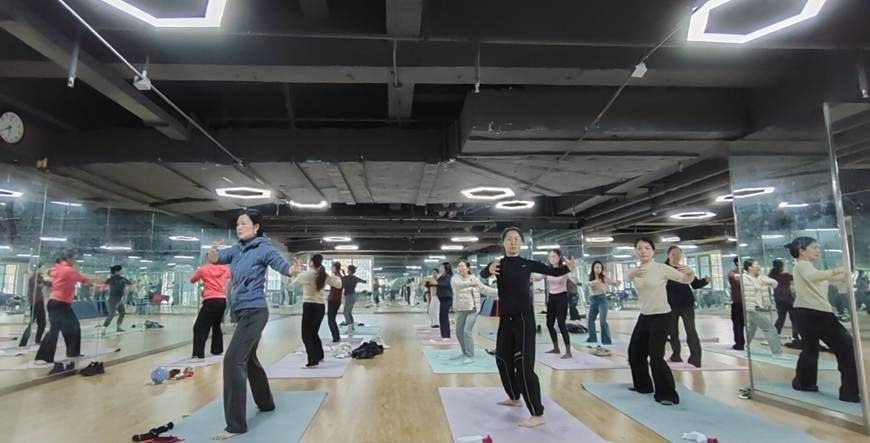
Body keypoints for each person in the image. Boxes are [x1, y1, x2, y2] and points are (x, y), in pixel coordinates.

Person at [208, 209, 299, 440]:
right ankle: (266, 403)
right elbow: (216, 259)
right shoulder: (236, 250)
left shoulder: (264, 248)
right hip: (241, 313)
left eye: (244, 223)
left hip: (255, 312)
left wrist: (292, 270)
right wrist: (212, 251)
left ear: (256, 227)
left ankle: (235, 425)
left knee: (233, 361)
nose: (239, 227)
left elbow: (281, 266)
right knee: (248, 360)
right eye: (237, 224)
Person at [480, 227, 577, 428]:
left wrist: (569, 268)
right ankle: (514, 396)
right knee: (502, 359)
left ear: (521, 243)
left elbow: (554, 271)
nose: (513, 242)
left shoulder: (527, 263)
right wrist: (488, 269)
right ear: (503, 242)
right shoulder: (498, 264)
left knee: (524, 367)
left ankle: (537, 413)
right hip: (505, 319)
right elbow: (482, 274)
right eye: (509, 239)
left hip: (524, 320)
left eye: (516, 239)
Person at [786, 237, 859, 403]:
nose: (818, 250)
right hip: (815, 313)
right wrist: (837, 269)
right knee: (846, 347)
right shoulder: (802, 265)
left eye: (818, 247)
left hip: (807, 313)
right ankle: (849, 392)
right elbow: (814, 276)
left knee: (810, 350)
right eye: (814, 247)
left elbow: (826, 278)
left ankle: (804, 383)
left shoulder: (810, 268)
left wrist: (845, 274)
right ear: (801, 250)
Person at [625, 238, 695, 406]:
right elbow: (627, 277)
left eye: (647, 248)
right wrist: (631, 275)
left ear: (653, 251)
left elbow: (685, 279)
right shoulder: (634, 270)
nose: (643, 251)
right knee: (635, 352)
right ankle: (643, 386)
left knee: (655, 356)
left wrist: (690, 273)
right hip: (645, 315)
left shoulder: (661, 268)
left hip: (662, 315)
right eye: (639, 248)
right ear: (635, 252)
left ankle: (667, 394)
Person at [35, 250, 93, 366]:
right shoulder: (69, 270)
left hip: (59, 303)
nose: (75, 261)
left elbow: (50, 272)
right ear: (69, 259)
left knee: (73, 326)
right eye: (74, 259)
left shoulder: (57, 268)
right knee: (55, 329)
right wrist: (95, 283)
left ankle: (73, 353)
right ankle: (44, 357)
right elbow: (84, 280)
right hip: (59, 303)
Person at [290, 254, 340, 368]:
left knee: (306, 335)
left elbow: (291, 285)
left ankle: (313, 360)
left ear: (312, 262)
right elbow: (338, 284)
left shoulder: (306, 274)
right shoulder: (323, 275)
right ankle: (319, 355)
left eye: (309, 261)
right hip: (320, 307)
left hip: (309, 306)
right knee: (313, 333)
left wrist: (297, 271)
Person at [664, 246, 709, 368]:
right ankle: (676, 355)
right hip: (670, 305)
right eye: (674, 254)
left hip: (686, 303)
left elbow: (695, 284)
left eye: (679, 254)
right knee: (672, 331)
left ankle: (695, 358)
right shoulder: (663, 269)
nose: (677, 256)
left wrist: (705, 281)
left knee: (691, 330)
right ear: (668, 255)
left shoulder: (684, 269)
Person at [451, 259, 497, 363]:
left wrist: (499, 292)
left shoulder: (474, 279)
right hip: (461, 309)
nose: (460, 268)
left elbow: (484, 289)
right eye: (459, 266)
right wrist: (470, 284)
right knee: (459, 332)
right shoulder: (455, 278)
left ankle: (470, 355)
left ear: (468, 268)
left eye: (463, 266)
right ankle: (464, 352)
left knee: (467, 331)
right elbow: (458, 286)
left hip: (473, 309)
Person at [536, 249, 577, 359]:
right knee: (549, 324)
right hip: (551, 298)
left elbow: (574, 280)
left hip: (561, 297)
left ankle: (568, 352)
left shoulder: (564, 269)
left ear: (559, 257)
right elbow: (538, 278)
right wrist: (528, 275)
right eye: (550, 257)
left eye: (554, 256)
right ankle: (556, 348)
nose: (552, 258)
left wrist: (572, 269)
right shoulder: (548, 270)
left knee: (561, 324)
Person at [741, 259, 784, 356]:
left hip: (761, 307)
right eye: (756, 264)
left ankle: (745, 345)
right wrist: (762, 283)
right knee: (770, 329)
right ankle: (777, 352)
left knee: (751, 329)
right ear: (750, 267)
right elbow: (753, 288)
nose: (759, 266)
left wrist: (766, 282)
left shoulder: (760, 277)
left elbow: (774, 283)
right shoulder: (744, 278)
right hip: (753, 309)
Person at [189, 260, 231, 359]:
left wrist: (204, 282)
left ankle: (198, 354)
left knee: (199, 327)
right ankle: (217, 350)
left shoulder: (204, 269)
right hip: (222, 301)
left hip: (210, 301)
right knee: (216, 325)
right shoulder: (225, 269)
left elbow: (192, 280)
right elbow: (231, 277)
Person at [587, 261, 620, 348]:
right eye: (597, 267)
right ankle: (592, 338)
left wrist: (617, 283)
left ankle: (606, 340)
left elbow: (614, 284)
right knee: (590, 320)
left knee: (602, 321)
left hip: (602, 300)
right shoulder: (590, 278)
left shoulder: (604, 278)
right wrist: (596, 281)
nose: (598, 269)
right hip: (593, 300)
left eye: (600, 268)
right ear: (593, 268)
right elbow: (589, 284)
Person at [769, 259, 800, 344]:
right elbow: (796, 278)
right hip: (788, 300)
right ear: (782, 266)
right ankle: (795, 336)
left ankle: (774, 336)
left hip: (779, 300)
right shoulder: (786, 275)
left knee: (781, 319)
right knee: (794, 319)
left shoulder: (771, 275)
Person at [20, 263, 48, 346]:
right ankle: (25, 342)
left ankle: (35, 340)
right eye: (42, 268)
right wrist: (42, 283)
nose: (43, 270)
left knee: (41, 322)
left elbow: (47, 283)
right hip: (36, 303)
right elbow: (36, 286)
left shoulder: (40, 278)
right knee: (36, 322)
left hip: (39, 302)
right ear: (38, 269)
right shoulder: (34, 278)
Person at [101, 265, 132, 335]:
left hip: (119, 300)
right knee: (111, 314)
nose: (122, 271)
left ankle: (118, 327)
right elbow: (130, 284)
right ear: (117, 271)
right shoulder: (117, 279)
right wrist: (126, 291)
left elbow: (104, 285)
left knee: (122, 312)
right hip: (113, 300)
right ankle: (103, 328)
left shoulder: (115, 279)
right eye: (121, 270)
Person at [431, 262, 455, 342]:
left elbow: (443, 284)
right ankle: (443, 334)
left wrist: (435, 282)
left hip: (447, 298)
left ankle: (447, 335)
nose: (440, 269)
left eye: (441, 267)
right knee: (441, 316)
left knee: (444, 316)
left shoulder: (449, 277)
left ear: (445, 269)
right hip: (441, 298)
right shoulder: (441, 276)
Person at [341, 265, 367, 334]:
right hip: (353, 296)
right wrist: (364, 281)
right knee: (349, 312)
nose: (347, 271)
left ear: (349, 271)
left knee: (345, 313)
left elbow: (345, 280)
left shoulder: (346, 278)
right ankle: (352, 328)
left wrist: (343, 274)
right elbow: (363, 281)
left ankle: (350, 329)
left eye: (347, 270)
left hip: (349, 296)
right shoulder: (355, 278)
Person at [727, 256, 745, 350]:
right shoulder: (733, 273)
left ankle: (741, 342)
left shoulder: (745, 272)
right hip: (738, 302)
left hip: (746, 302)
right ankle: (739, 343)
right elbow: (734, 278)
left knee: (741, 323)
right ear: (737, 263)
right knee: (738, 323)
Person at [326, 262, 344, 343]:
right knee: (332, 320)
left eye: (333, 267)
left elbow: (327, 280)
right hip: (336, 300)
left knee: (331, 320)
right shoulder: (339, 277)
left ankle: (336, 338)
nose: (332, 269)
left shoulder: (336, 277)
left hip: (333, 300)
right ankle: (336, 337)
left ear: (336, 268)